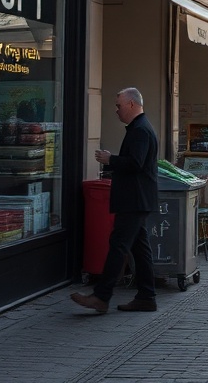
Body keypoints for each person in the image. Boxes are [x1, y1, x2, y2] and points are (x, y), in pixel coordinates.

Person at [71, 87, 159, 313]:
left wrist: (111, 160)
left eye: (119, 105)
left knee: (118, 245)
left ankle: (101, 296)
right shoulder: (140, 127)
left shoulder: (140, 130)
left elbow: (136, 163)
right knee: (139, 249)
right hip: (138, 199)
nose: (116, 110)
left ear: (131, 104)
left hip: (134, 199)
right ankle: (146, 296)